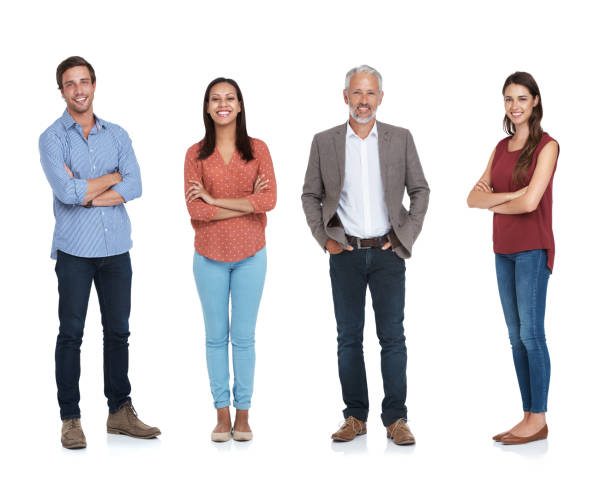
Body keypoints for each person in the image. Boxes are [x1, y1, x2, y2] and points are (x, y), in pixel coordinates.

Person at [301, 65, 429, 445]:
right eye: (357, 93)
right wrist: (324, 239)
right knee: (348, 338)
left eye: (370, 93)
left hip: (388, 253)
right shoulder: (324, 141)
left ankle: (396, 419)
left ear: (381, 98)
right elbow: (309, 194)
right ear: (345, 97)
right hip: (345, 253)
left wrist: (405, 234)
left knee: (392, 337)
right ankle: (355, 417)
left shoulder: (400, 138)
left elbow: (420, 190)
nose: (363, 101)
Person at [39, 56, 160, 449]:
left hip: (116, 250)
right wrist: (112, 179)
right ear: (62, 91)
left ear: (94, 84)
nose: (79, 90)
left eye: (84, 81)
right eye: (70, 84)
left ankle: (119, 412)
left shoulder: (118, 134)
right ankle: (70, 418)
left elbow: (137, 184)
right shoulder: (52, 137)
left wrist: (89, 192)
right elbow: (66, 192)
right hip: (74, 250)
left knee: (118, 332)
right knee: (71, 334)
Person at [467, 71, 559, 445]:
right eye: (509, 99)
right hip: (502, 249)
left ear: (535, 100)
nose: (515, 106)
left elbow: (531, 202)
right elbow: (472, 198)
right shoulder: (499, 148)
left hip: (533, 247)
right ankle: (526, 415)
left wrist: (500, 199)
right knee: (514, 337)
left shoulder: (548, 146)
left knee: (531, 334)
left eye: (522, 98)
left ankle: (538, 419)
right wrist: (509, 197)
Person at [185, 77, 276, 442]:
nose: (223, 104)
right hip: (208, 256)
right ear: (208, 107)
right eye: (215, 99)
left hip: (251, 255)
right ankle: (221, 415)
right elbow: (194, 211)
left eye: (230, 98)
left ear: (239, 105)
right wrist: (241, 204)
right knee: (214, 337)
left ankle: (243, 416)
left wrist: (215, 200)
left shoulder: (257, 149)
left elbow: (268, 202)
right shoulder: (195, 154)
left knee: (243, 338)